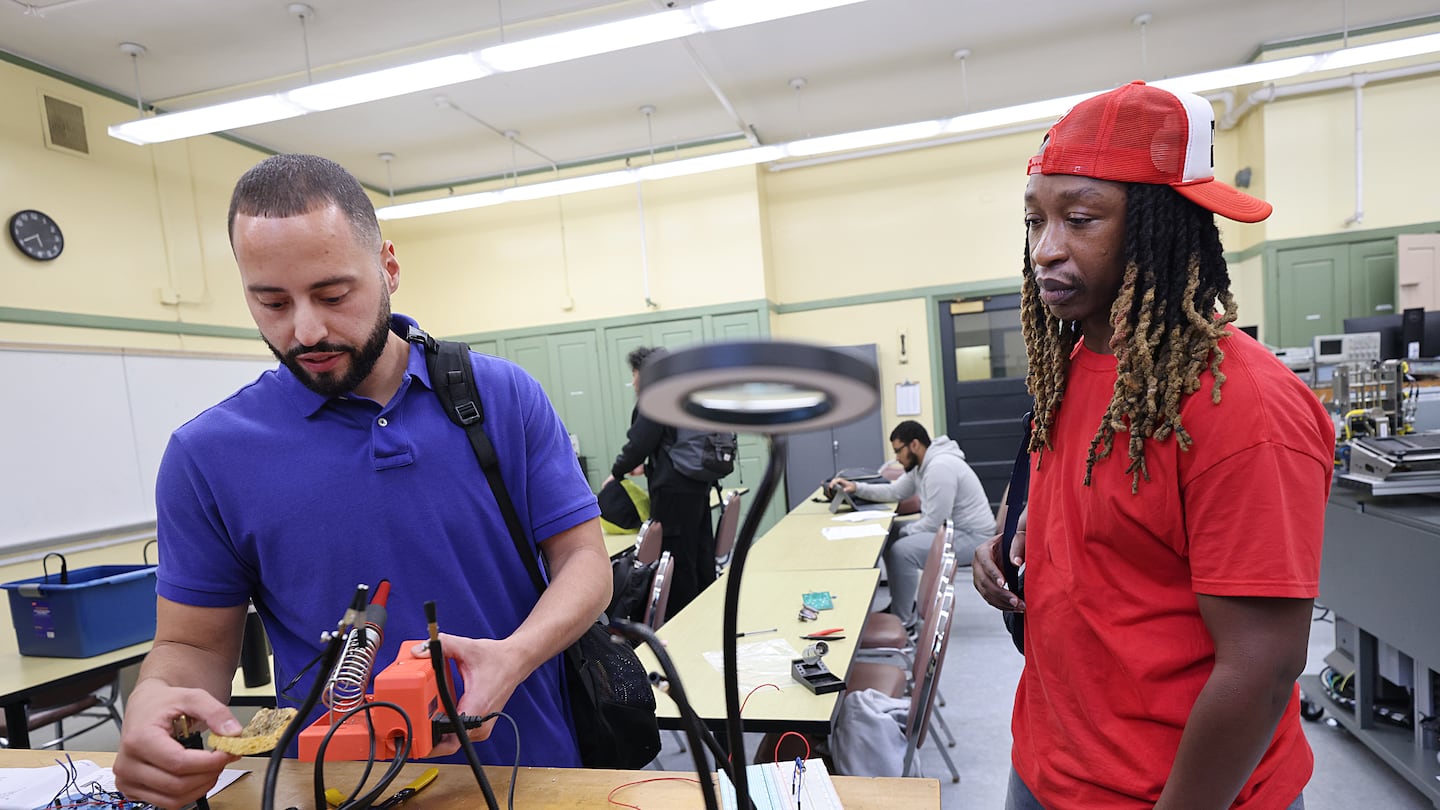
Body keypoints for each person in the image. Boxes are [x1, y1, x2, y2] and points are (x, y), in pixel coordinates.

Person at [112, 154, 611, 809]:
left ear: (389, 268)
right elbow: (190, 643)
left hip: (535, 774)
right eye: (272, 302)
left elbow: (583, 561)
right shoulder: (207, 455)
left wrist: (514, 656)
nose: (306, 330)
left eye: (332, 293)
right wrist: (153, 701)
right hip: (340, 790)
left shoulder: (502, 397)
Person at [972, 81, 1333, 810]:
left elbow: (1261, 669)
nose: (1046, 250)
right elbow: (1079, 514)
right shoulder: (1070, 369)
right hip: (1046, 767)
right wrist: (1010, 546)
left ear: (1154, 227)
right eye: (1035, 221)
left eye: (1079, 219)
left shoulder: (1242, 407)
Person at [829, 420, 992, 632]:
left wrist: (903, 532)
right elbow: (894, 492)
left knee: (901, 550)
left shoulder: (939, 468)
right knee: (892, 533)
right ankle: (901, 605)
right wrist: (856, 488)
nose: (896, 458)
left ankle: (904, 621)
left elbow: (934, 523)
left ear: (914, 445)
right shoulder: (921, 466)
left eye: (898, 451)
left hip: (973, 537)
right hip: (952, 529)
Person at [603, 346, 715, 618]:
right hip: (698, 484)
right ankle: (706, 612)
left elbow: (639, 442)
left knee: (675, 560)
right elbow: (668, 440)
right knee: (700, 553)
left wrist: (617, 473)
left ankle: (683, 620)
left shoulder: (657, 397)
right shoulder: (683, 393)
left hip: (672, 490)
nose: (633, 380)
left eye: (634, 372)